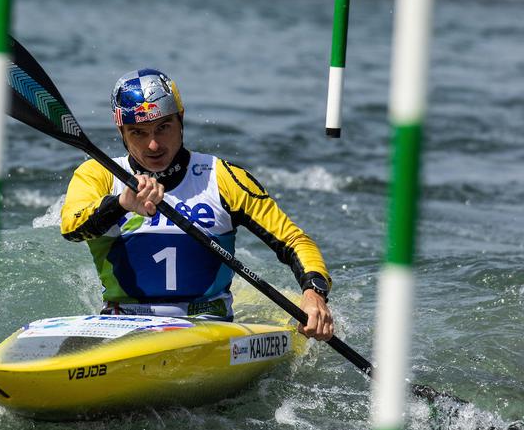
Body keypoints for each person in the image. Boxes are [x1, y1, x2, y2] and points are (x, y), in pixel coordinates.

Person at [60, 68, 334, 341]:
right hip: (122, 326)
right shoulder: (98, 175)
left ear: (181, 120)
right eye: (138, 133)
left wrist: (314, 295)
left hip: (208, 328)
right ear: (121, 131)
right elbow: (72, 229)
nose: (153, 144)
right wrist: (121, 204)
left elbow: (294, 240)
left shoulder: (224, 178)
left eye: (163, 127)